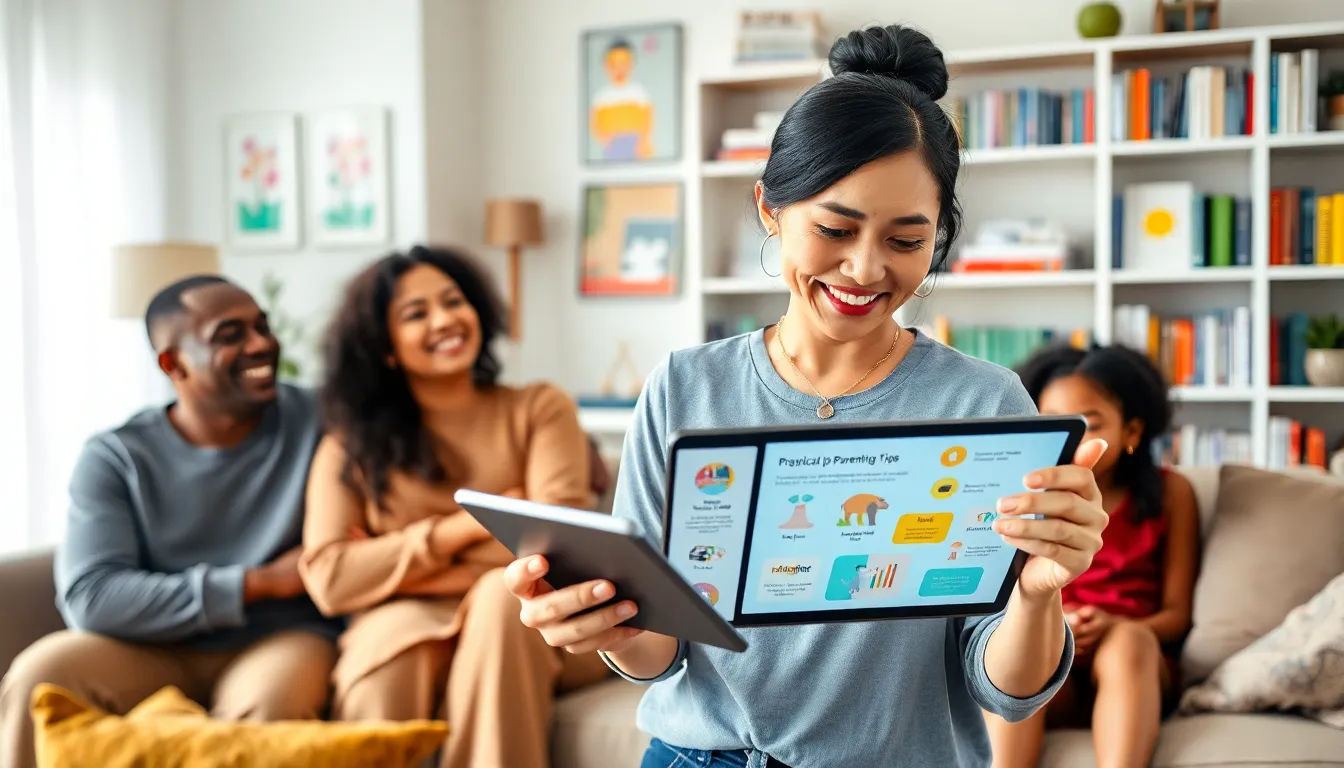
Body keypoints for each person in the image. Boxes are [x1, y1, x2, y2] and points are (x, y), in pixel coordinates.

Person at [503, 24, 1110, 768]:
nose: (864, 269)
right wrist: (609, 624)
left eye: (906, 241)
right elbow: (659, 654)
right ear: (769, 209)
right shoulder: (684, 388)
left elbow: (1005, 688)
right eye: (835, 227)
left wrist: (1039, 592)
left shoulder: (984, 403)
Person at [0, 275, 341, 768]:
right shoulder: (116, 457)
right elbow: (92, 599)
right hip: (148, 647)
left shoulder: (322, 418)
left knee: (272, 708)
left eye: (262, 326)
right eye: (231, 335)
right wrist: (259, 583)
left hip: (283, 637)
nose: (262, 343)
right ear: (172, 363)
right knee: (42, 674)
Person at [299, 245, 610, 768]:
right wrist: (462, 529)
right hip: (405, 624)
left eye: (453, 301)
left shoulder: (537, 408)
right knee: (396, 649)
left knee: (499, 598)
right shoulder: (349, 446)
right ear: (385, 348)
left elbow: (558, 553)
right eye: (416, 314)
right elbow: (329, 580)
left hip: (539, 623)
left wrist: (391, 569)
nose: (445, 320)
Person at [985, 344, 1200, 768]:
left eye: (1090, 424)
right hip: (1052, 661)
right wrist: (1053, 625)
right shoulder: (1020, 497)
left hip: (1134, 664)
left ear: (1133, 432)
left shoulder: (1173, 493)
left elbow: (1177, 614)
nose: (1070, 439)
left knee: (1129, 643)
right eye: (1053, 424)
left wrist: (1117, 625)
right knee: (1020, 653)